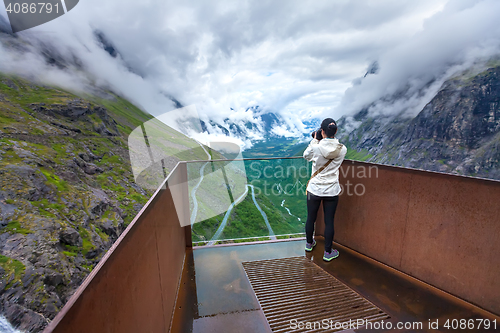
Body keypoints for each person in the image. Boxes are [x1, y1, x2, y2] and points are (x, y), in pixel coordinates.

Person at [303, 118, 347, 261]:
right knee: (329, 221)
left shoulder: (316, 147)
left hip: (314, 189)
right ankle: (328, 252)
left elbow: (306, 156)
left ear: (322, 131)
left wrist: (315, 140)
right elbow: (331, 151)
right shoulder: (342, 149)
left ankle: (309, 244)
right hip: (332, 190)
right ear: (336, 131)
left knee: (311, 218)